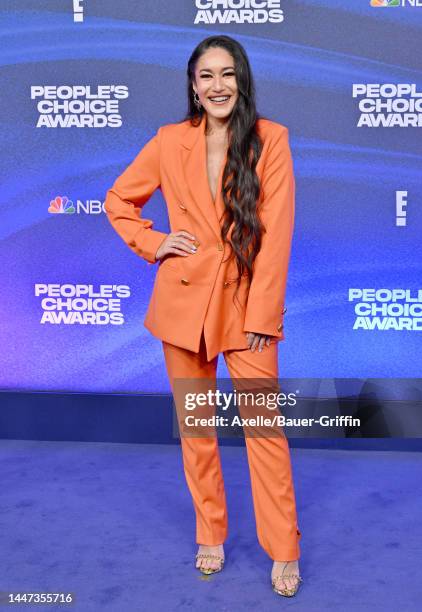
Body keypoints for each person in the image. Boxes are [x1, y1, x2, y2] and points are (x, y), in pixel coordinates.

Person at [104, 34, 302, 597]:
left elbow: (278, 235)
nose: (217, 86)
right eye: (205, 76)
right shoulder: (169, 141)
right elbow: (119, 201)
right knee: (197, 429)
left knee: (264, 429)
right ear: (193, 86)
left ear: (242, 80)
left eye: (227, 74)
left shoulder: (272, 139)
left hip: (247, 308)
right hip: (183, 305)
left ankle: (284, 547)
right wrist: (157, 242)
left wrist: (264, 314)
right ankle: (209, 533)